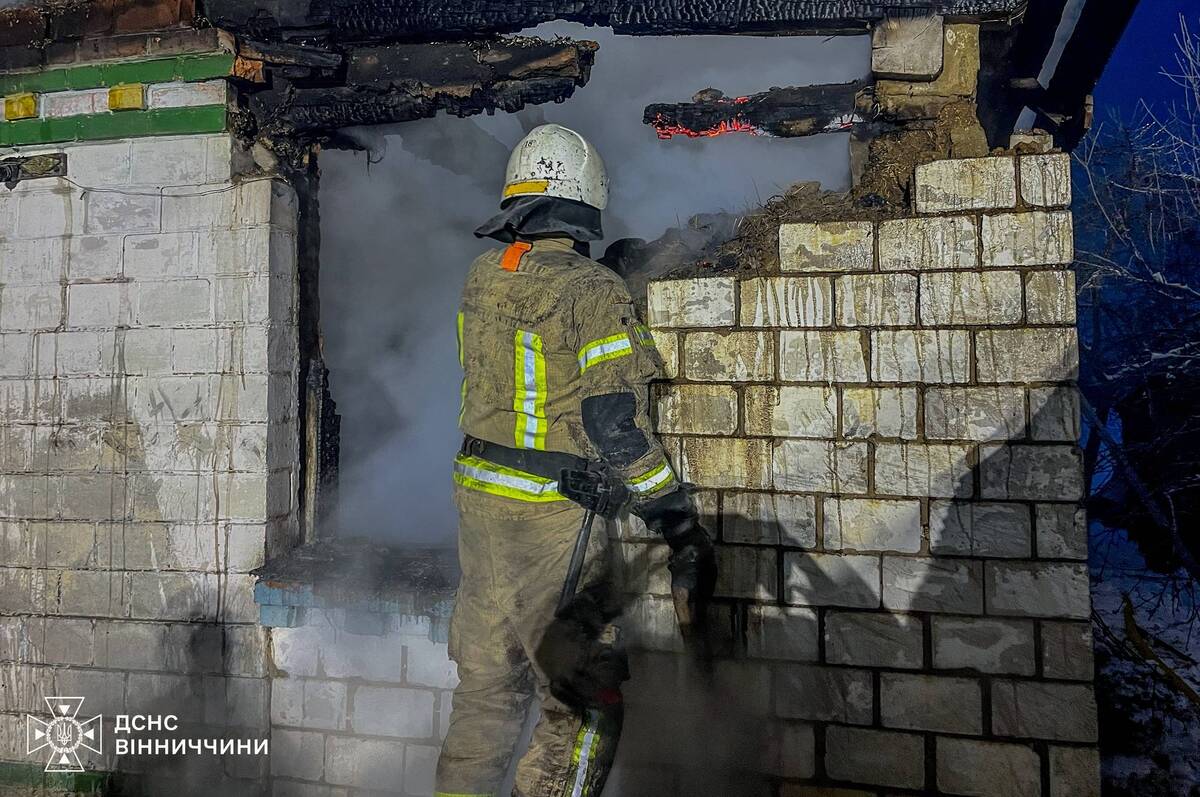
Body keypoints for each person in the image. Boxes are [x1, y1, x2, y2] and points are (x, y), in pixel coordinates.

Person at [435, 123, 716, 797]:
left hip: (480, 514)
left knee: (485, 695)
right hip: (549, 524)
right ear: (587, 202)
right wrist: (677, 524)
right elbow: (613, 425)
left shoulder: (483, 277)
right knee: (584, 700)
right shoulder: (594, 293)